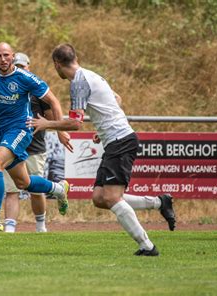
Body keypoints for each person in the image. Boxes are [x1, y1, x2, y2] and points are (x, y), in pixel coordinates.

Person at [30, 43, 175, 256]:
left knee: (112, 197)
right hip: (116, 139)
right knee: (99, 197)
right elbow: (117, 99)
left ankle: (147, 246)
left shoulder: (78, 83)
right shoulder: (92, 75)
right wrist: (103, 125)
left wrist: (46, 124)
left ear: (57, 64)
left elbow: (76, 123)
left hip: (120, 140)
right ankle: (159, 202)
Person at [0, 42, 72, 235]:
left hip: (21, 130)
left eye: (6, 55)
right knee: (23, 183)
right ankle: (59, 189)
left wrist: (59, 130)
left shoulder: (25, 78)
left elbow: (54, 101)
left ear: (13, 56)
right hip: (1, 132)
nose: (3, 59)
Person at [2, 53, 58, 233]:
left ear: (29, 67)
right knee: (11, 190)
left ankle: (40, 225)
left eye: (22, 67)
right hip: (12, 148)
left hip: (35, 147)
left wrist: (42, 122)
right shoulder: (5, 90)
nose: (19, 70)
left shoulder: (37, 91)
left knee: (36, 190)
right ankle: (9, 228)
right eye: (16, 66)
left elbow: (50, 118)